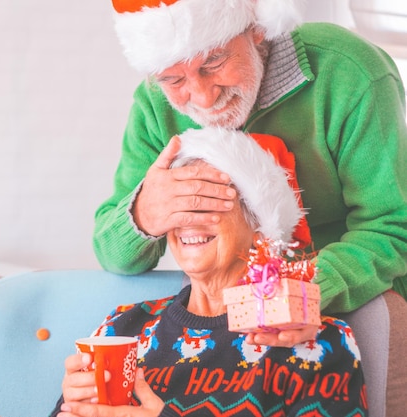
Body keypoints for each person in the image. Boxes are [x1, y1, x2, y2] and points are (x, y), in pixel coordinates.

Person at [93, 0, 407, 343]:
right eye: (173, 78)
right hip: (221, 316)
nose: (202, 97)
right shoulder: (154, 106)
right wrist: (145, 213)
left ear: (256, 27)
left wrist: (306, 289)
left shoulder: (349, 72)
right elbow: (111, 253)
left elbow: (392, 227)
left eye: (213, 61)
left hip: (356, 298)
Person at [52, 128, 367, 417]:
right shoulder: (121, 328)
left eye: (209, 201)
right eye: (178, 204)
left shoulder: (313, 340)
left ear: (260, 224)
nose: (189, 219)